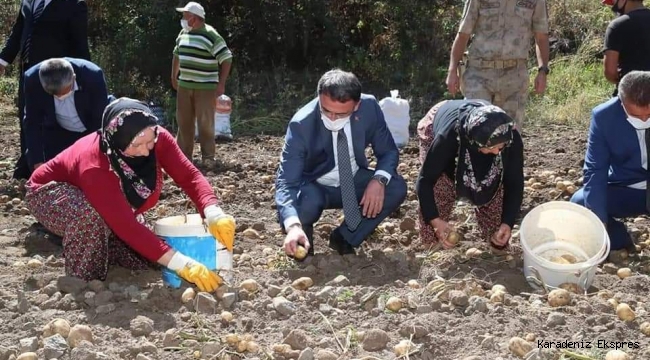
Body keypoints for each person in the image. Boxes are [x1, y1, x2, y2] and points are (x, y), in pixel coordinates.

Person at [24, 98, 236, 292]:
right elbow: (127, 227)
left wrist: (213, 211)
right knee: (93, 217)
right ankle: (84, 280)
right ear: (117, 141)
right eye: (136, 145)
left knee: (150, 260)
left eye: (150, 142)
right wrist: (184, 264)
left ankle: (104, 246)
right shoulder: (95, 165)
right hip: (50, 192)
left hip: (105, 199)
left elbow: (189, 176)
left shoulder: (157, 137)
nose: (146, 151)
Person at [275, 69, 407, 259]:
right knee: (304, 201)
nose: (333, 119)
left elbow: (388, 151)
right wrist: (293, 225)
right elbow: (286, 182)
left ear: (357, 105)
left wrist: (378, 180)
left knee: (395, 186)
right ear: (319, 98)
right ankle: (301, 241)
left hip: (353, 180)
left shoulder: (369, 108)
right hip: (315, 186)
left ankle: (344, 237)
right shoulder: (301, 124)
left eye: (341, 114)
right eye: (326, 111)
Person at [416, 100, 524, 251]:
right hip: (441, 122)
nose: (496, 152)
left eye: (500, 147)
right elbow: (425, 180)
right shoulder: (448, 138)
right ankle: (432, 239)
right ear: (475, 141)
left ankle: (493, 234)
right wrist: (435, 221)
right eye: (491, 147)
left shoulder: (509, 137)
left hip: (483, 136)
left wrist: (507, 222)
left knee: (492, 188)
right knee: (442, 186)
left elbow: (514, 182)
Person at [0, 0, 91, 179]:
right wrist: (3, 60)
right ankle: (28, 165)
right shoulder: (28, 2)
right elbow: (19, 33)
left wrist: (82, 79)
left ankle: (57, 167)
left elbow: (81, 46)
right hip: (27, 72)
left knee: (53, 121)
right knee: (27, 118)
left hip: (56, 75)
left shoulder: (74, 5)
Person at [570, 71, 650, 254]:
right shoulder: (604, 117)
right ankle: (618, 240)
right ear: (622, 103)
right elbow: (595, 169)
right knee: (581, 204)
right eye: (636, 116)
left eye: (649, 115)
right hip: (629, 188)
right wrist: (599, 223)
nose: (644, 120)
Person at [445, 0, 550, 132]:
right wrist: (452, 70)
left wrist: (542, 70)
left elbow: (541, 37)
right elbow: (463, 34)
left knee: (510, 134)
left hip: (514, 77)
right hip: (479, 74)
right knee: (476, 129)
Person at [171, 1, 233, 167]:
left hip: (205, 87)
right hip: (185, 85)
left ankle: (208, 157)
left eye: (186, 16)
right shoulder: (183, 33)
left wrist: (221, 84)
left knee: (205, 122)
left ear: (195, 18)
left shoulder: (211, 35)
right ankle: (183, 157)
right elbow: (176, 54)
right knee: (184, 122)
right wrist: (174, 75)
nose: (183, 19)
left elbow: (226, 58)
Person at [23, 57, 109, 174]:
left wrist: (94, 150)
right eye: (53, 94)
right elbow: (32, 122)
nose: (59, 97)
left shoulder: (92, 76)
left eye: (64, 92)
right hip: (58, 131)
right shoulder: (32, 79)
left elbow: (99, 118)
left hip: (90, 129)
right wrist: (37, 161)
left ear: (73, 78)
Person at [601, 0, 650, 96]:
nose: (613, 6)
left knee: (599, 111)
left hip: (631, 96)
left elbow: (610, 72)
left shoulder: (617, 26)